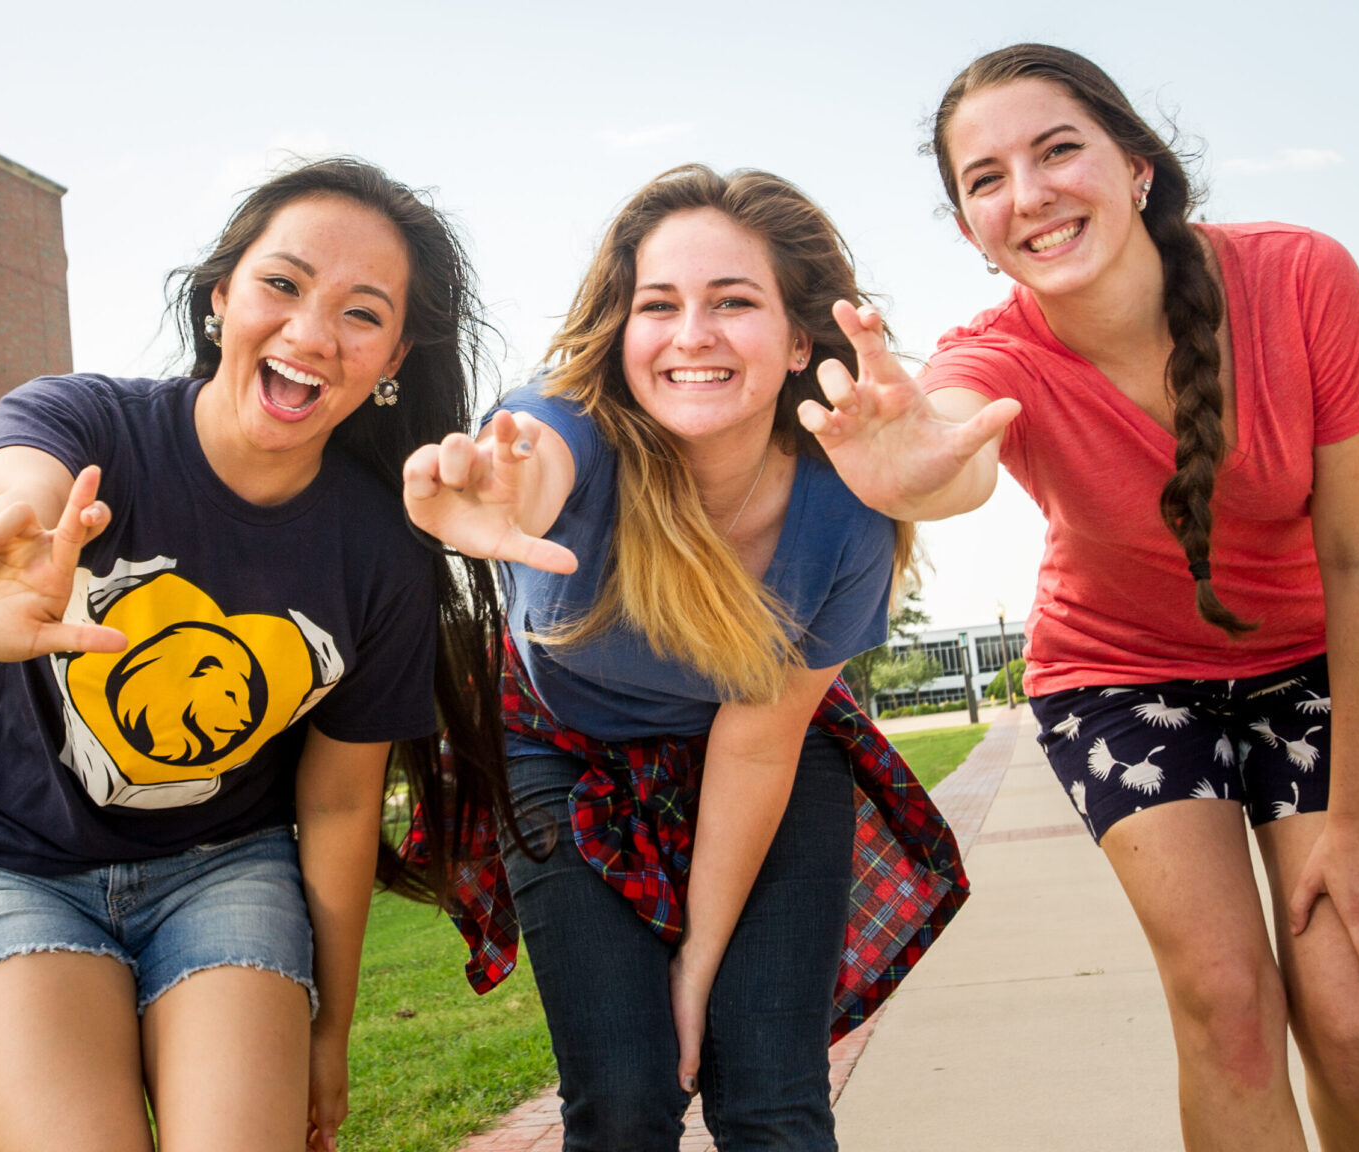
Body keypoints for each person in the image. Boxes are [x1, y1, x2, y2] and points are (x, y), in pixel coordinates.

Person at [799, 44, 1359, 1152]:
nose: (1028, 194)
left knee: (1355, 1012)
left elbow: (1358, 563)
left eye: (1057, 151)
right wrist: (909, 459)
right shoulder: (992, 354)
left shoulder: (1298, 279)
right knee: (1228, 1009)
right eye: (985, 179)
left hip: (1318, 661)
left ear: (1136, 164)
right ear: (968, 230)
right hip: (1122, 680)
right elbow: (953, 441)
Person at [0, 158, 504, 1152]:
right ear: (219, 296)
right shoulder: (87, 422)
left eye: (361, 313)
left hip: (224, 874)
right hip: (12, 870)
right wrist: (11, 539)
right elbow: (23, 481)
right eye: (281, 284)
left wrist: (329, 1028)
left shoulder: (379, 553)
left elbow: (335, 802)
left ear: (394, 355)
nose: (312, 332)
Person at [404, 164, 965, 1152]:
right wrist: (491, 494)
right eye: (657, 304)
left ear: (798, 339)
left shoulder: (843, 511)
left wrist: (699, 965)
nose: (691, 333)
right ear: (621, 332)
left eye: (733, 302)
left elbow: (758, 746)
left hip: (760, 761)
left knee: (768, 1096)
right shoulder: (564, 426)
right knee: (624, 1103)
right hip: (561, 753)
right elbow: (529, 463)